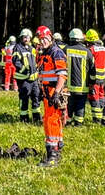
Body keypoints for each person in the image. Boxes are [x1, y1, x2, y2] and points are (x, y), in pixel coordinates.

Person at [36, 25, 67, 167]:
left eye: (45, 38)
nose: (43, 41)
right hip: (47, 92)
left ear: (51, 37)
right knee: (52, 120)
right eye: (40, 39)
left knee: (51, 121)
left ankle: (52, 155)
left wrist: (56, 93)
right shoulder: (45, 53)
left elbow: (62, 75)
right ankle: (57, 149)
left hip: (53, 92)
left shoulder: (56, 52)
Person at [64, 28, 94, 126]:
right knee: (80, 106)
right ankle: (78, 123)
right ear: (81, 38)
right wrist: (92, 83)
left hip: (68, 87)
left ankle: (67, 122)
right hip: (83, 87)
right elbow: (93, 70)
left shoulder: (65, 50)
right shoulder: (87, 52)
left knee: (69, 106)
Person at [12, 28, 41, 123]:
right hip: (24, 79)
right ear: (21, 38)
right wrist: (25, 70)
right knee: (24, 98)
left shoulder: (32, 48)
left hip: (34, 79)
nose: (27, 39)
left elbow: (36, 61)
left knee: (36, 97)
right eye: (25, 37)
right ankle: (24, 118)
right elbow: (15, 61)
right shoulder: (18, 48)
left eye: (28, 37)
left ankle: (36, 117)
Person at [86, 29, 105, 124]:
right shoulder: (103, 48)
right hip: (102, 78)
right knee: (102, 95)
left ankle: (97, 119)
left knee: (94, 97)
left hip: (94, 79)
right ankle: (102, 113)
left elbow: (89, 65)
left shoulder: (91, 50)